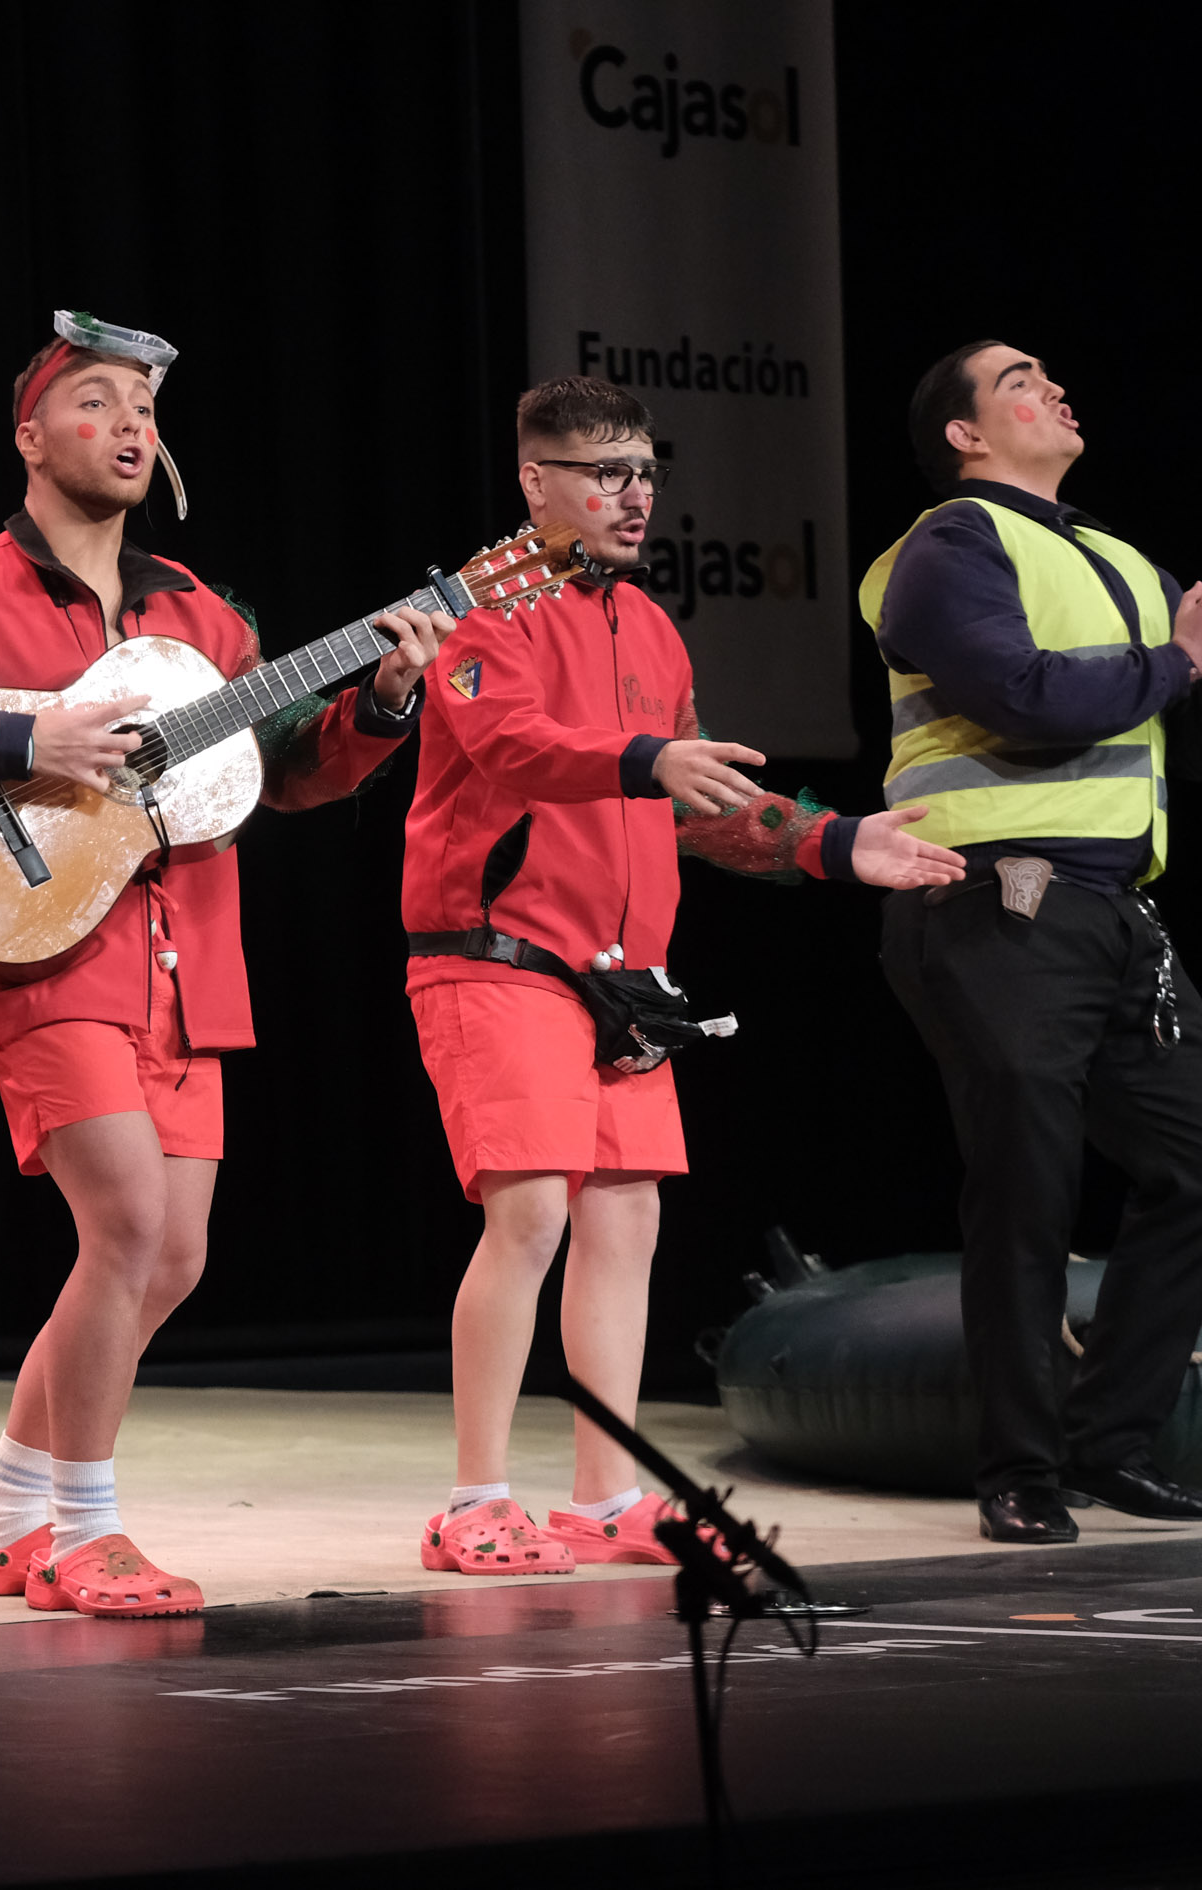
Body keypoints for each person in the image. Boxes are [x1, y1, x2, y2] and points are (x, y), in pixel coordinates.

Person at [0, 317, 445, 1618]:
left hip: (186, 959)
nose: (127, 426)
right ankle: (83, 1533)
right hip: (41, 947)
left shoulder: (199, 614)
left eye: (143, 411)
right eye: (95, 402)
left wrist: (380, 697)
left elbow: (283, 770)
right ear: (28, 434)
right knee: (126, 1227)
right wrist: (27, 732)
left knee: (169, 1259)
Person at [401, 375, 967, 1579]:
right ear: (534, 479)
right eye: (605, 471)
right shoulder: (479, 608)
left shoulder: (651, 627)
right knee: (535, 1211)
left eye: (645, 471)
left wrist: (833, 842)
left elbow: (699, 803)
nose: (634, 494)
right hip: (500, 956)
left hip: (627, 976)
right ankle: (473, 1496)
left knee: (627, 1218)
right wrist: (649, 756)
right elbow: (516, 747)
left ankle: (606, 1500)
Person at [866, 340, 1202, 1544]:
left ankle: (1113, 1443)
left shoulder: (1119, 558)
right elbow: (1025, 698)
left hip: (1114, 911)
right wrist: (1184, 660)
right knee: (1028, 1187)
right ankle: (1020, 1466)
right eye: (1018, 380)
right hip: (995, 899)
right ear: (966, 433)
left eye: (1055, 374)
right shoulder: (948, 546)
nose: (1053, 386)